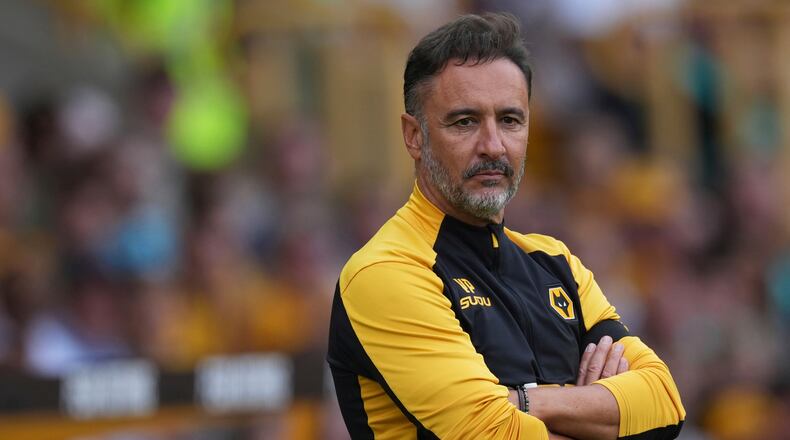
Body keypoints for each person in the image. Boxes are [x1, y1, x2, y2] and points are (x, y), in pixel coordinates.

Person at [327, 13, 685, 439]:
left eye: (510, 120)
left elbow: (664, 406)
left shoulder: (556, 262)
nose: (493, 145)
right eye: (465, 122)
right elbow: (489, 432)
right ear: (414, 136)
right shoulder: (385, 272)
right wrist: (594, 412)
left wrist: (525, 401)